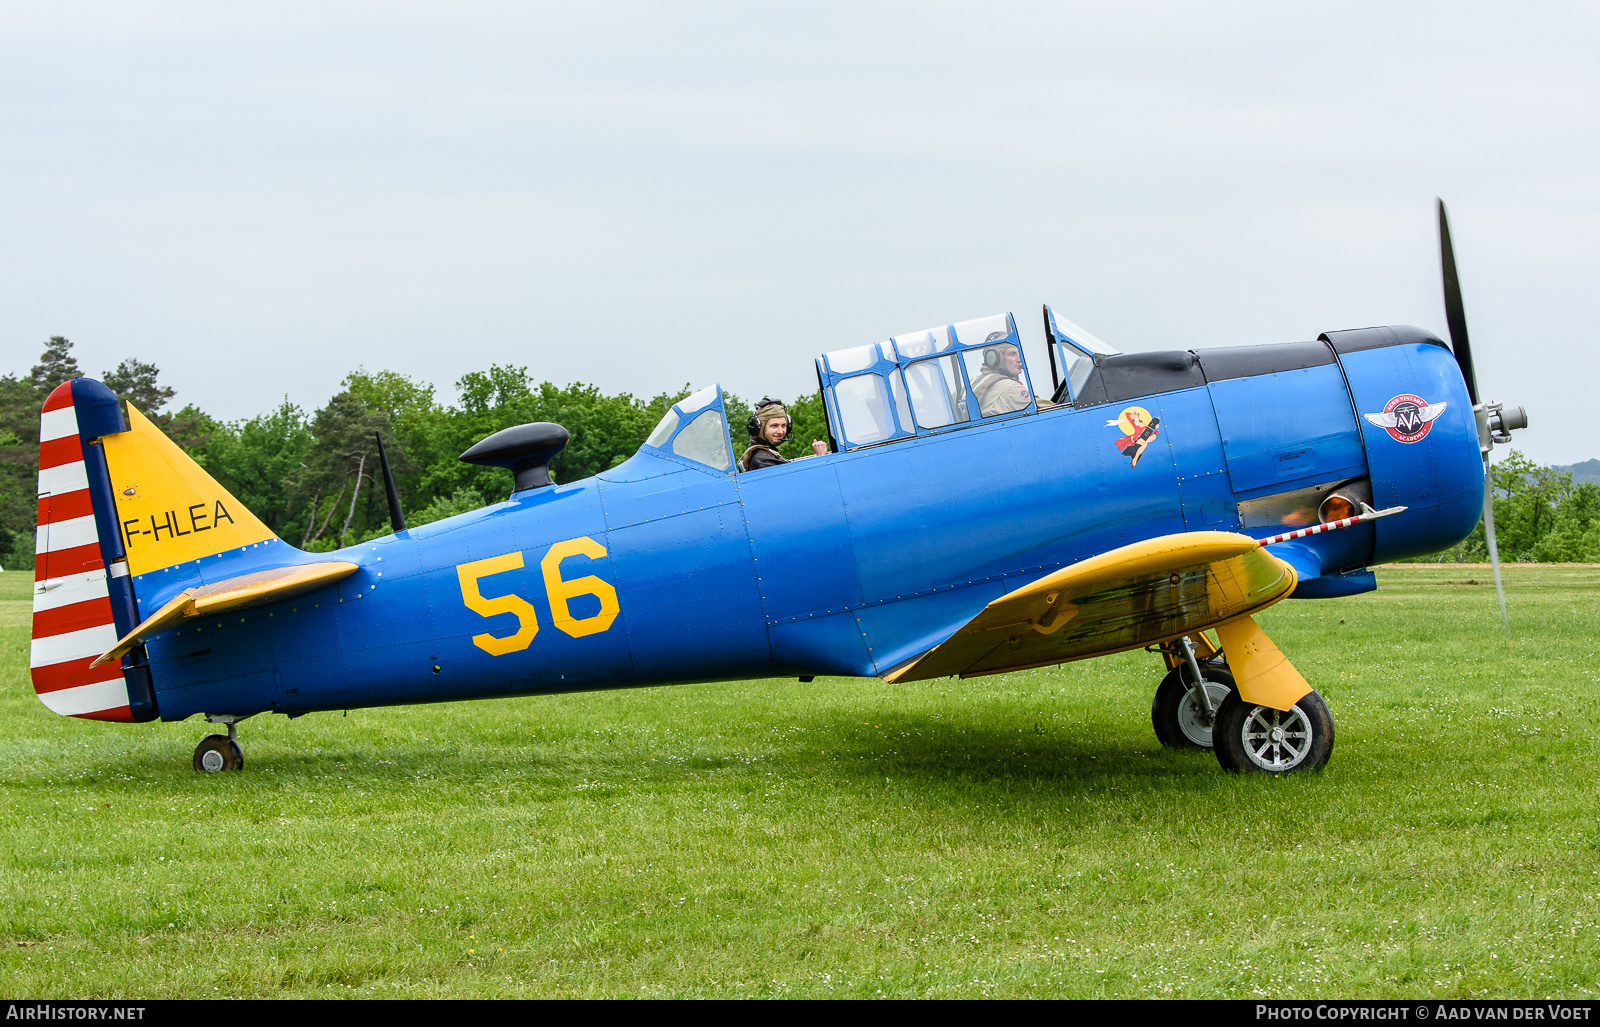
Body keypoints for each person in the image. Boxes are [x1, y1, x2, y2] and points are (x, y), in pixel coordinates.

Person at [741, 397, 828, 471]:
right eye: (774, 426)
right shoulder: (764, 460)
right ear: (758, 428)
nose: (780, 431)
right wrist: (821, 457)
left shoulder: (766, 453)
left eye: (783, 425)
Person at [971, 337, 1033, 416]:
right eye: (1012, 354)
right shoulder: (1010, 387)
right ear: (994, 358)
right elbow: (1045, 410)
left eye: (1019, 353)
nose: (1019, 359)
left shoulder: (972, 383)